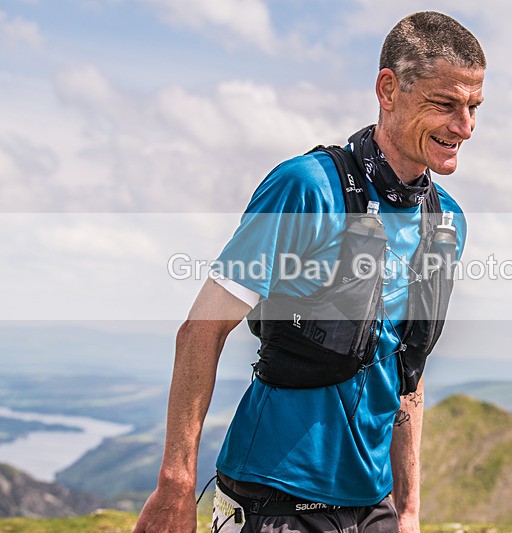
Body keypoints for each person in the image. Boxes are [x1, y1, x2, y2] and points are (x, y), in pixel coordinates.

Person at [133, 11, 485, 533]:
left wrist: (409, 510)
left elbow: (406, 367)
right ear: (388, 89)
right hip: (272, 496)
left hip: (373, 505)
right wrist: (176, 485)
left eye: (474, 107)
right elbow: (201, 332)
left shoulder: (445, 221)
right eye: (445, 104)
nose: (465, 127)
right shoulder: (305, 188)